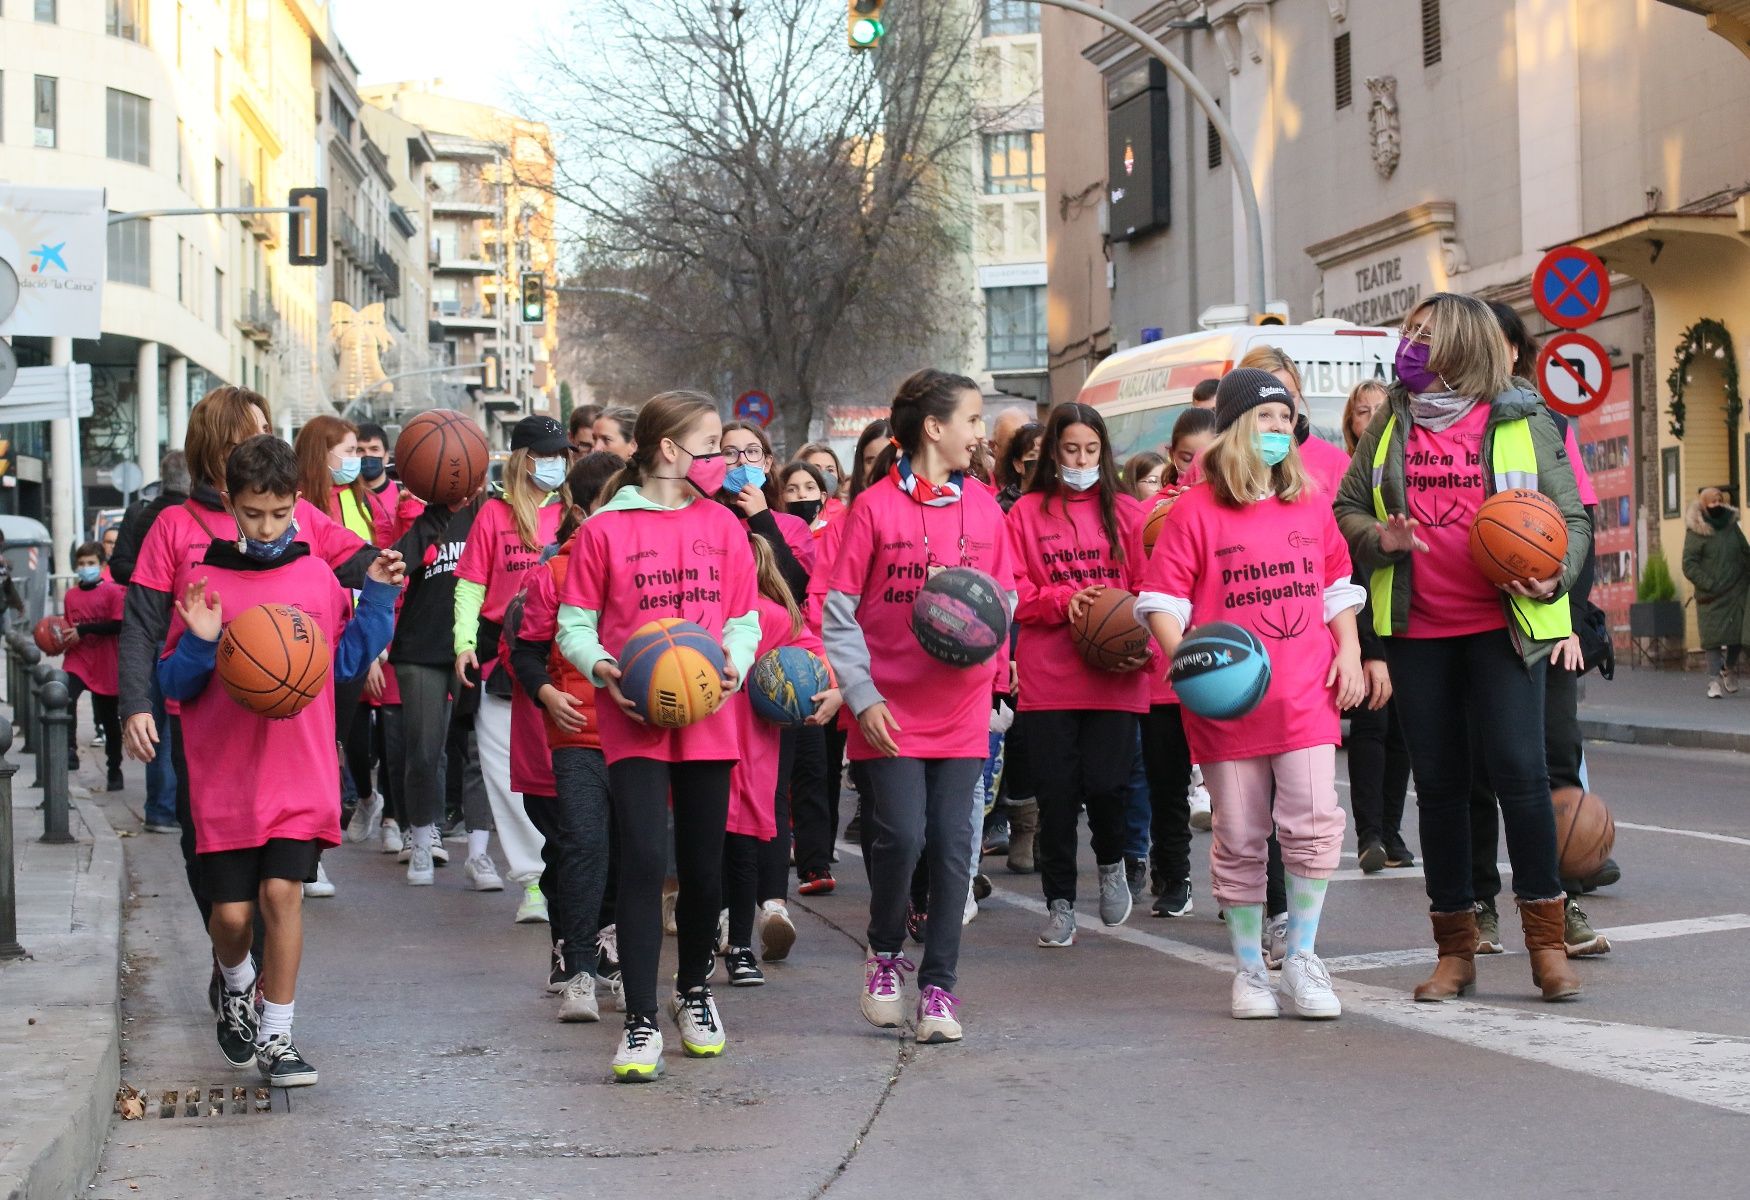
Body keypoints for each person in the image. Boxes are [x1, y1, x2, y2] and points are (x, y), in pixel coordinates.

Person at [1334, 292, 1591, 1004]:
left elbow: (1570, 516)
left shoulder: (1523, 415)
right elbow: (1346, 507)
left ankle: (1547, 944)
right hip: (1421, 631)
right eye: (1408, 333)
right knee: (1441, 787)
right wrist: (1377, 539)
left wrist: (1554, 575)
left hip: (1503, 626)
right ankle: (1455, 949)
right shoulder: (1392, 420)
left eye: (1424, 335)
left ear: (1462, 344)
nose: (1409, 346)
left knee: (1519, 773)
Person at [159, 434, 403, 1088]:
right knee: (233, 916)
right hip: (228, 779)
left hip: (300, 773)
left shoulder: (316, 578)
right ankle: (237, 982)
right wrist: (201, 646)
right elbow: (174, 686)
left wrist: (377, 598)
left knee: (281, 895)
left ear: (297, 504)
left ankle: (278, 1035)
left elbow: (345, 663)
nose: (266, 526)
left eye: (278, 513)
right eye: (253, 513)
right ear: (232, 508)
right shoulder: (203, 581)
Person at [1138, 368, 1366, 1020]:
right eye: (1265, 419)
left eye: (1285, 418)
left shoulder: (1310, 502)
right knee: (1239, 835)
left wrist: (1349, 652)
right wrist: (1188, 659)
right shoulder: (1194, 511)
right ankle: (1247, 972)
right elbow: (1160, 600)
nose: (1278, 430)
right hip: (1227, 702)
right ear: (1237, 427)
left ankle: (1301, 957)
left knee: (1315, 822)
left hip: (1303, 692)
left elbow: (1336, 587)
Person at [121, 388, 377, 943]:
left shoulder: (298, 513)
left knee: (278, 879)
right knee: (214, 872)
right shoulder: (173, 525)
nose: (264, 446)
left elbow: (358, 561)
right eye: (250, 436)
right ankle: (234, 967)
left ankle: (257, 988)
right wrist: (134, 704)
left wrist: (390, 569)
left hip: (286, 713)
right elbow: (141, 622)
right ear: (217, 450)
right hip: (202, 713)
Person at [556, 391, 758, 1082]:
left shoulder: (726, 527)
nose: (723, 462)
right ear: (670, 451)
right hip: (635, 711)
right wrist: (599, 665)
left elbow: (745, 617)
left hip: (709, 709)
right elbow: (574, 623)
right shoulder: (605, 531)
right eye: (711, 448)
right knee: (643, 859)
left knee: (702, 869)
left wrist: (736, 661)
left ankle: (693, 993)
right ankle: (640, 1018)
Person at [824, 369, 1016, 1046]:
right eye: (970, 419)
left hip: (961, 708)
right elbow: (840, 613)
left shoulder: (987, 507)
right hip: (888, 708)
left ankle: (938, 988)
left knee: (954, 846)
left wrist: (976, 621)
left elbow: (1007, 602)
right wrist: (862, 694)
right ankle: (883, 957)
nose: (979, 432)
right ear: (934, 428)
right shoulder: (873, 508)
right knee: (901, 837)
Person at [1007, 403, 1150, 946]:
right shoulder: (1026, 513)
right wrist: (1065, 599)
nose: (1081, 459)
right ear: (1052, 452)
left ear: (1104, 452)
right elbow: (1015, 592)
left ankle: (1111, 862)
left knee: (1109, 785)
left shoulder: (1130, 515)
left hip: (1115, 674)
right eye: (1070, 450)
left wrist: (1147, 651)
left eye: (1091, 450)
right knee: (1058, 793)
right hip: (1051, 677)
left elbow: (1153, 594)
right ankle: (1060, 901)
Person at [512, 452, 625, 1020]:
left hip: (640, 731)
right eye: (611, 501)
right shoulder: (554, 574)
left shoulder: (649, 566)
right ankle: (579, 967)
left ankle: (621, 957)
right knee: (582, 845)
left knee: (633, 853)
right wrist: (546, 694)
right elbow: (526, 651)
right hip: (577, 731)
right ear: (582, 512)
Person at [454, 414, 569, 922]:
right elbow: (471, 584)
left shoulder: (572, 512)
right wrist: (462, 643)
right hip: (502, 653)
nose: (556, 463)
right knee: (507, 775)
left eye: (562, 454)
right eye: (546, 454)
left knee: (560, 771)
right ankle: (533, 883)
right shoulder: (492, 515)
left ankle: (568, 868)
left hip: (563, 653)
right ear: (523, 459)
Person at [721, 533, 841, 984]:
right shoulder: (777, 613)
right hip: (761, 742)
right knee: (764, 823)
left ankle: (727, 928)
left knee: (714, 837)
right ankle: (759, 923)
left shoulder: (715, 612)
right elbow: (815, 658)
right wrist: (827, 687)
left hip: (715, 737)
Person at [390, 486, 495, 878]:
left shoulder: (492, 511)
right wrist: (430, 518)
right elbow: (399, 564)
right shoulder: (423, 517)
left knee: (478, 752)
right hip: (422, 646)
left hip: (475, 647)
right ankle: (420, 839)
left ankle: (478, 852)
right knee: (423, 750)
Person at [1340, 379, 1414, 874]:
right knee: (1371, 724)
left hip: (1404, 618)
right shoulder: (1346, 487)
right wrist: (1365, 647)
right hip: (1363, 621)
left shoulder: (1401, 479)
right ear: (1352, 426)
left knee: (1402, 732)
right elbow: (1346, 572)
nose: (1371, 418)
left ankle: (1390, 830)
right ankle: (1368, 834)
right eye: (1361, 411)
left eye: (1379, 410)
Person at [1237, 346, 1353, 496]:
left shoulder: (1336, 462)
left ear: (1300, 396)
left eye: (1288, 396)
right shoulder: (1213, 462)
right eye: (1266, 398)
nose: (1280, 406)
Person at [62, 541, 125, 792]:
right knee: (64, 698)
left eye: (90, 563)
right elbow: (66, 628)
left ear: (101, 565)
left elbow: (117, 626)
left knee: (110, 718)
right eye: (81, 564)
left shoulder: (113, 592)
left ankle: (114, 769)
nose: (85, 568)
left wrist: (84, 629)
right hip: (78, 658)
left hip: (105, 660)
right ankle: (69, 751)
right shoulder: (70, 595)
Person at [1683, 485, 1748, 697]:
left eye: (1719, 500)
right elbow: (1689, 564)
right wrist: (1708, 583)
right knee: (1712, 639)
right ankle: (1713, 681)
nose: (1717, 505)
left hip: (1736, 590)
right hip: (1710, 595)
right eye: (1712, 502)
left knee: (1737, 635)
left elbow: (1744, 551)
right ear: (1704, 504)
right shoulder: (1696, 529)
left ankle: (1728, 668)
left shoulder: (1731, 525)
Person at [356, 421, 422, 547]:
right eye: (360, 450)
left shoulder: (406, 496)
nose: (367, 455)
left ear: (386, 456)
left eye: (374, 449)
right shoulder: (344, 497)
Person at [994, 422, 1043, 511]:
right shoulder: (1002, 507)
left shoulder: (1059, 502)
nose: (1041, 461)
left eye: (1045, 454)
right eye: (1032, 455)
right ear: (1018, 465)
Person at [794, 442, 848, 520]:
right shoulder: (788, 510)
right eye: (816, 469)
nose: (824, 476)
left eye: (830, 470)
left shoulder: (845, 515)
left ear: (839, 475)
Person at [779, 461, 832, 535]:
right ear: (781, 498)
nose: (802, 494)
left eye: (810, 487)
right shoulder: (775, 537)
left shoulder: (834, 534)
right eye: (791, 490)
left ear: (822, 497)